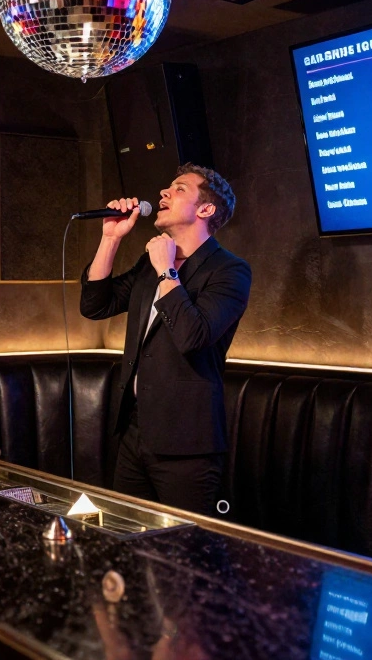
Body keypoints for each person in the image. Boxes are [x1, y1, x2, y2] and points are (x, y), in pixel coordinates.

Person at [80, 163, 251, 515]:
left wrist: (166, 271)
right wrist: (110, 238)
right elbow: (95, 305)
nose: (164, 192)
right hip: (134, 432)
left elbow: (193, 336)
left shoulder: (229, 270)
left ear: (206, 209)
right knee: (125, 533)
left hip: (187, 444)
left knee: (188, 545)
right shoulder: (151, 263)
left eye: (179, 188)